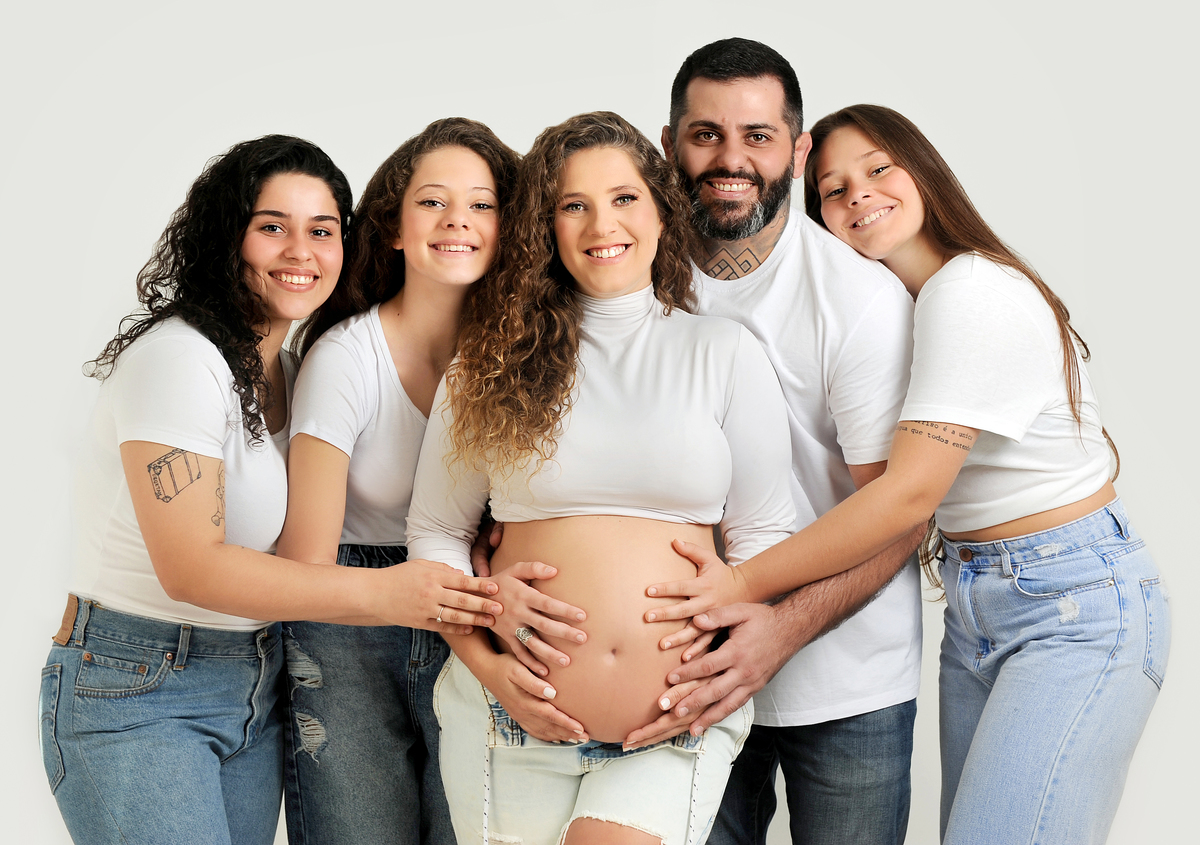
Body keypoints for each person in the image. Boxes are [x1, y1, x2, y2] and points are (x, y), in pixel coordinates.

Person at [664, 102, 1171, 844]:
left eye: (879, 170)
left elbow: (907, 496)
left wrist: (741, 584)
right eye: (834, 189)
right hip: (979, 601)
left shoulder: (969, 291)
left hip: (1071, 601)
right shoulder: (909, 302)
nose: (858, 196)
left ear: (924, 171)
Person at [38, 135, 498, 845]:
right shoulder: (179, 360)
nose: (300, 252)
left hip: (250, 677)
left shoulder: (283, 366)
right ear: (229, 237)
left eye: (321, 231)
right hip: (137, 679)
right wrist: (390, 592)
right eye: (272, 227)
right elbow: (192, 568)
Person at [404, 111, 798, 845]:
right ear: (545, 227)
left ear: (661, 211)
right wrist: (488, 658)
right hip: (508, 717)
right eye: (573, 205)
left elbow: (765, 532)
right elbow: (435, 533)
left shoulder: (722, 352)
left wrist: (729, 654)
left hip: (673, 718)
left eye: (623, 198)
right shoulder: (489, 366)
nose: (600, 224)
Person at [647, 39, 925, 845]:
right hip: (679, 676)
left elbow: (900, 514)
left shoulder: (858, 300)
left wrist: (780, 631)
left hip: (847, 681)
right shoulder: (627, 278)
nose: (730, 159)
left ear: (798, 152)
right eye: (705, 134)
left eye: (758, 137)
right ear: (668, 144)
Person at [274, 118, 519, 845]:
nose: (457, 221)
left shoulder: (526, 357)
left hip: (476, 606)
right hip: (349, 621)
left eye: (481, 205)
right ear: (392, 228)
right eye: (433, 202)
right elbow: (303, 562)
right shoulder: (345, 359)